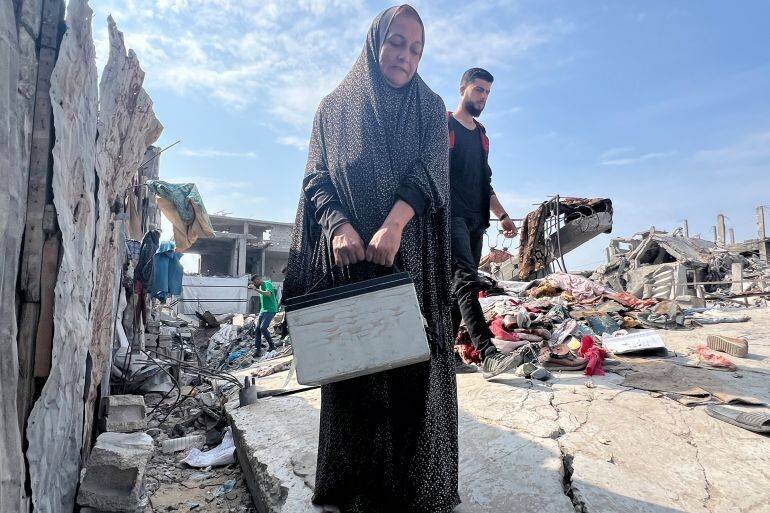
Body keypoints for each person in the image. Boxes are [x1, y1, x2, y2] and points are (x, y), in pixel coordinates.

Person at [283, 5, 459, 512]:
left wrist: (394, 224)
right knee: (355, 377)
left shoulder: (431, 107)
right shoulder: (333, 109)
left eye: (416, 48)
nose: (405, 56)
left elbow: (430, 171)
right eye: (397, 42)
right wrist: (338, 225)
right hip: (351, 265)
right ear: (375, 41)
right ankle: (355, 487)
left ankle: (412, 490)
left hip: (411, 265)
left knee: (411, 375)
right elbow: (317, 177)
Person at [448, 67, 522, 379]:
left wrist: (502, 215)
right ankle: (487, 353)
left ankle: (444, 356)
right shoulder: (445, 125)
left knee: (457, 290)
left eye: (488, 93)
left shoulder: (481, 136)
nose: (483, 97)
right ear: (463, 88)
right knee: (467, 279)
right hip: (450, 217)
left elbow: (485, 183)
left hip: (477, 220)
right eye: (479, 90)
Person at [249, 274, 278, 355]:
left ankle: (272, 346)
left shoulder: (267, 283)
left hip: (271, 309)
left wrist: (256, 289)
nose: (255, 284)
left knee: (263, 327)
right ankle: (257, 350)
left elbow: (268, 294)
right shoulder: (259, 286)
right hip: (263, 310)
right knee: (257, 329)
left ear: (259, 280)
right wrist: (252, 287)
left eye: (255, 282)